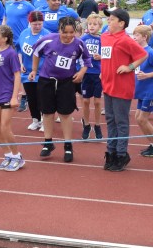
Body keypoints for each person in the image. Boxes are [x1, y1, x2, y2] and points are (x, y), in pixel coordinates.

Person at [30, 16, 91, 163]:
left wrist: (82, 72)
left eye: (71, 32)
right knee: (47, 112)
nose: (68, 36)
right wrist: (34, 70)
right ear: (59, 30)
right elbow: (36, 52)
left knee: (65, 113)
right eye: (65, 32)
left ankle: (68, 145)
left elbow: (86, 60)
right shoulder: (48, 40)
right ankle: (48, 142)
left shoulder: (79, 44)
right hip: (47, 80)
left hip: (67, 82)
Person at [100, 8, 149, 171]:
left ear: (121, 23)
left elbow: (143, 54)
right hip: (107, 85)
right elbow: (107, 57)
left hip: (122, 87)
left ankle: (121, 154)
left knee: (120, 121)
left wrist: (130, 67)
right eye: (108, 18)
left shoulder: (125, 40)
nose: (108, 21)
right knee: (110, 120)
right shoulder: (105, 36)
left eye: (112, 19)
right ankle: (111, 151)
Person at [0, 24, 24, 172]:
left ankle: (17, 156)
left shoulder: (11, 54)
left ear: (5, 38)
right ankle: (7, 154)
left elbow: (17, 75)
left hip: (7, 93)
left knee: (5, 127)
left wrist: (14, 97)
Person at [131, 25, 153, 159]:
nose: (134, 37)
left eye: (137, 35)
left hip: (151, 90)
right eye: (133, 35)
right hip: (142, 90)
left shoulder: (150, 52)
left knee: (142, 118)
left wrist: (147, 75)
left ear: (145, 37)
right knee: (138, 118)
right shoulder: (136, 51)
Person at [17, 10, 46, 132]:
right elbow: (19, 49)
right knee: (31, 98)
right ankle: (35, 120)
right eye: (35, 24)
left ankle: (45, 121)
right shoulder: (24, 33)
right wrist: (20, 63)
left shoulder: (47, 35)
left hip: (42, 73)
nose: (37, 26)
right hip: (27, 73)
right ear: (30, 23)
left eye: (40, 24)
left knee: (42, 98)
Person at [80, 13, 104, 140]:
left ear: (100, 26)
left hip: (98, 74)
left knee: (97, 101)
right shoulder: (83, 39)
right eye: (90, 24)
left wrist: (101, 57)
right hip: (86, 73)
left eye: (95, 24)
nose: (92, 26)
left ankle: (98, 125)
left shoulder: (102, 40)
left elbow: (108, 56)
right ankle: (86, 124)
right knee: (85, 101)